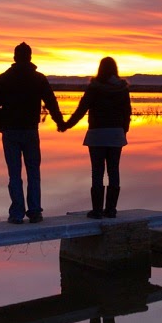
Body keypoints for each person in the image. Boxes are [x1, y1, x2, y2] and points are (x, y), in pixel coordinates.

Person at [0, 42, 66, 224]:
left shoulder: (4, 78)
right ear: (30, 57)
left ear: (15, 57)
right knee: (33, 173)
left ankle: (17, 214)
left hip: (12, 132)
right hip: (30, 131)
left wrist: (1, 125)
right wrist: (60, 122)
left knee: (14, 174)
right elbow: (52, 103)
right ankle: (34, 212)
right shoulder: (38, 78)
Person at [60, 57, 132, 218]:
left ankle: (97, 211)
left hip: (97, 134)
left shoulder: (94, 88)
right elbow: (127, 112)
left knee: (97, 172)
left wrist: (66, 125)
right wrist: (123, 131)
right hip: (115, 134)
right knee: (114, 171)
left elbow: (81, 109)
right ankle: (111, 210)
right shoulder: (122, 88)